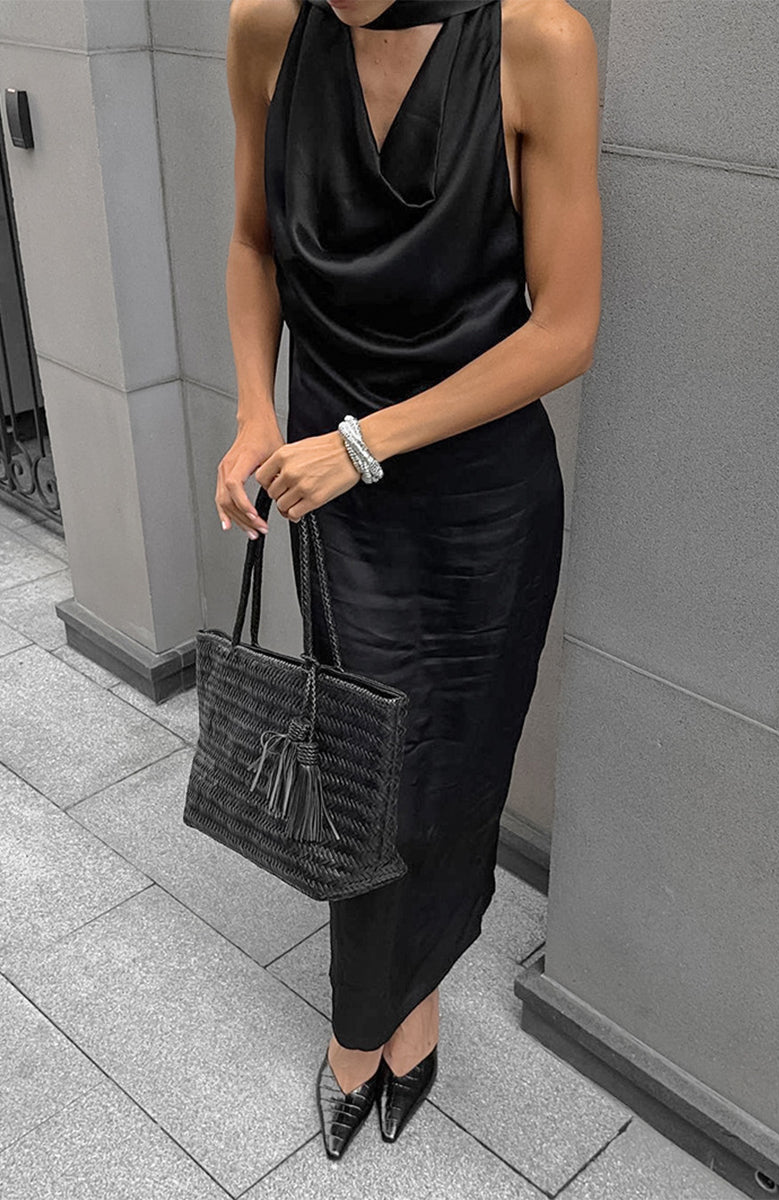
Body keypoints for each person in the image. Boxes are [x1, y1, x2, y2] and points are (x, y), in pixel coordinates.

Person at [215, 0, 601, 1161]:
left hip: (478, 498)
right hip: (333, 498)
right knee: (363, 769)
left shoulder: (537, 41)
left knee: (452, 769)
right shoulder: (265, 28)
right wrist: (253, 416)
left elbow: (564, 328)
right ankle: (359, 1028)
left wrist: (362, 443)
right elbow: (253, 242)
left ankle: (414, 1004)